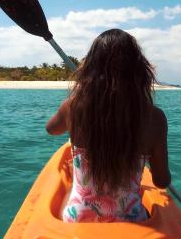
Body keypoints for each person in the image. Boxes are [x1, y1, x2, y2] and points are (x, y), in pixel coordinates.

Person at [45, 28, 171, 223]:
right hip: (132, 220)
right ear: (139, 70)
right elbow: (162, 182)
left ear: (90, 68)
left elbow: (51, 129)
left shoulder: (73, 107)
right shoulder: (155, 118)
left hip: (78, 218)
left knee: (73, 189)